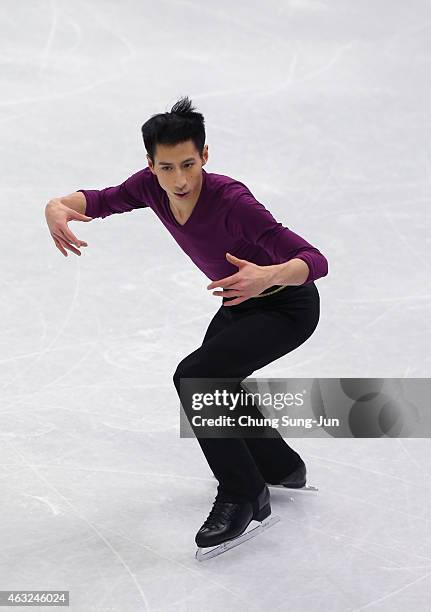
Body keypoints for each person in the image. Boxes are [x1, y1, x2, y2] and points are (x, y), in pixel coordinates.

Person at [44, 96, 328, 554]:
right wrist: (54, 207)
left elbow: (315, 260)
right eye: (166, 167)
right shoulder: (151, 187)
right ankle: (280, 466)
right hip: (240, 304)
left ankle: (243, 494)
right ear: (151, 165)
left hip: (287, 306)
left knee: (195, 377)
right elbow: (98, 200)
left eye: (188, 164)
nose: (178, 179)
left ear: (205, 156)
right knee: (216, 382)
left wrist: (268, 275)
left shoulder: (233, 201)